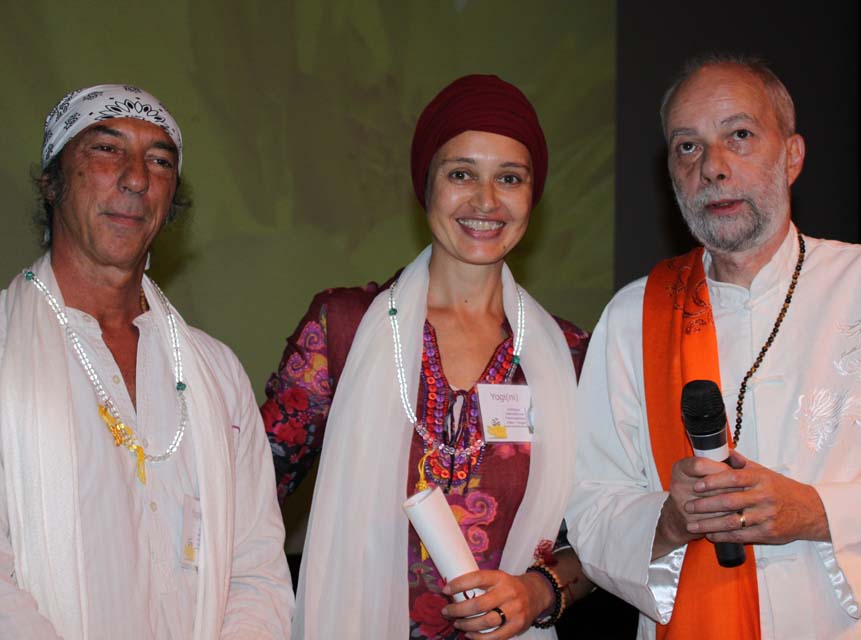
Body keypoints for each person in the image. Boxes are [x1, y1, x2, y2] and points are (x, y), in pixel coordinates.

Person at [565, 55, 861, 639]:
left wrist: (815, 512)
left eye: (740, 136)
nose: (712, 167)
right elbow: (591, 506)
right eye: (687, 147)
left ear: (792, 155)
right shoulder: (632, 316)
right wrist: (670, 521)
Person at [262, 74, 593, 639]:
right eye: (461, 173)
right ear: (427, 186)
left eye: (509, 178)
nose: (486, 201)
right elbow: (245, 500)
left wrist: (538, 591)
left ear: (531, 196)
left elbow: (601, 533)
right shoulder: (344, 328)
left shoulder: (568, 356)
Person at [0, 85, 294, 639]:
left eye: (159, 161)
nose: (136, 178)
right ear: (52, 181)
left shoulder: (214, 372)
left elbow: (256, 571)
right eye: (106, 149)